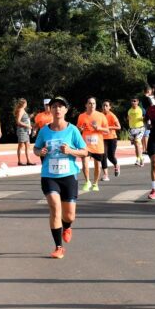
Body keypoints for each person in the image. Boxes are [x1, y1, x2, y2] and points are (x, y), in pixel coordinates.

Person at [34, 96, 88, 259]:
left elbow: (85, 151)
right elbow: (36, 149)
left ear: (66, 110)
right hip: (49, 175)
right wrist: (40, 152)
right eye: (54, 106)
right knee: (55, 208)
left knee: (69, 215)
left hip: (68, 175)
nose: (57, 109)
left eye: (61, 106)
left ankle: (67, 226)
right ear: (50, 109)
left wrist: (71, 151)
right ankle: (58, 247)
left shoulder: (72, 130)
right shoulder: (44, 130)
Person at [77, 97, 109, 191]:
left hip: (97, 145)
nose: (92, 105)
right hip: (85, 145)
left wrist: (98, 128)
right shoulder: (81, 116)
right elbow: (77, 129)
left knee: (97, 166)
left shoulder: (101, 116)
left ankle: (95, 183)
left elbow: (107, 130)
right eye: (90, 103)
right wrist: (80, 129)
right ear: (86, 105)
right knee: (84, 163)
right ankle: (87, 181)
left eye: (94, 103)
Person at [101, 99, 121, 179]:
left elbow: (119, 127)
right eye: (103, 105)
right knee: (103, 155)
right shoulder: (100, 115)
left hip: (112, 138)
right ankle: (106, 174)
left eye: (106, 105)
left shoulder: (112, 115)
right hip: (102, 138)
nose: (105, 107)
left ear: (109, 107)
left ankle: (116, 165)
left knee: (111, 156)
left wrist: (108, 127)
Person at [14, 98, 35, 166]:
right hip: (22, 130)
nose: (26, 104)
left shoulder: (23, 110)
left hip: (25, 131)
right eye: (26, 103)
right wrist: (27, 125)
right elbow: (18, 121)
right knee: (21, 145)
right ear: (24, 104)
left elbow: (24, 119)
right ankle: (19, 161)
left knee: (27, 145)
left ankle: (28, 160)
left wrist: (29, 117)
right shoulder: (20, 110)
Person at [127, 97, 147, 167]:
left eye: (135, 101)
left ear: (138, 102)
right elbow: (128, 118)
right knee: (136, 145)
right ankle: (141, 158)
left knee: (137, 142)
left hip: (140, 128)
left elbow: (147, 117)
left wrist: (143, 118)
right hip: (132, 129)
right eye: (132, 101)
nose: (133, 102)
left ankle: (138, 159)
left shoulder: (141, 109)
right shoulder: (129, 110)